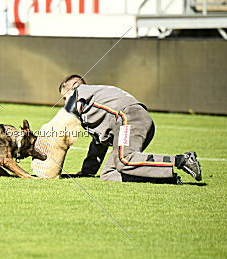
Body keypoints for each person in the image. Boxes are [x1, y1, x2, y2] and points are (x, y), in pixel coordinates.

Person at [59, 74, 202, 184]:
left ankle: (181, 160)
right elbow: (98, 144)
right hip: (131, 122)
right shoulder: (89, 108)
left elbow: (68, 115)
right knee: (109, 174)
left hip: (129, 118)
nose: (65, 103)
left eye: (65, 98)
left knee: (125, 159)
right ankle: (163, 178)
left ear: (73, 88)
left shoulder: (81, 90)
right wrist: (86, 172)